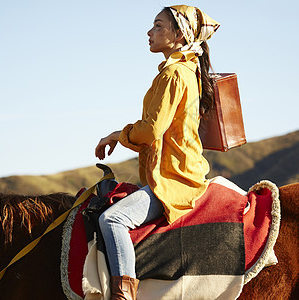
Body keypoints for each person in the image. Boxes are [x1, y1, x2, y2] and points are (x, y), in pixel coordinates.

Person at [94, 5, 220, 300]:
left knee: (112, 220)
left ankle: (124, 294)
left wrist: (117, 134)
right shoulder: (189, 70)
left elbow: (151, 131)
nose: (150, 33)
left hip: (173, 179)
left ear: (179, 35)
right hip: (182, 171)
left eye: (158, 27)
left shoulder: (174, 73)